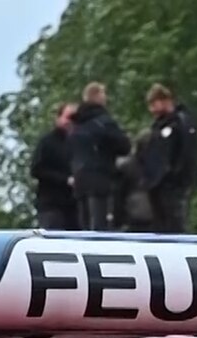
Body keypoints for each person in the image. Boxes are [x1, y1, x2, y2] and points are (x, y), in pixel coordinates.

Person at [67, 82, 130, 231]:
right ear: (98, 96)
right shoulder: (103, 122)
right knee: (100, 224)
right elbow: (124, 146)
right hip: (101, 178)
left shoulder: (76, 126)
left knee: (85, 225)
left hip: (80, 179)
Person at [139, 83, 197, 234]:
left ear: (165, 100)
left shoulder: (180, 123)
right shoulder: (158, 126)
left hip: (173, 183)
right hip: (157, 184)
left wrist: (174, 175)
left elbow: (185, 152)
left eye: (154, 103)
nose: (151, 109)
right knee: (161, 225)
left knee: (175, 222)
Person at [31, 101, 76, 231]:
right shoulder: (47, 142)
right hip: (51, 204)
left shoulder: (78, 142)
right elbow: (37, 170)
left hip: (74, 206)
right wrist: (65, 180)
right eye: (68, 117)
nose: (71, 122)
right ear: (59, 118)